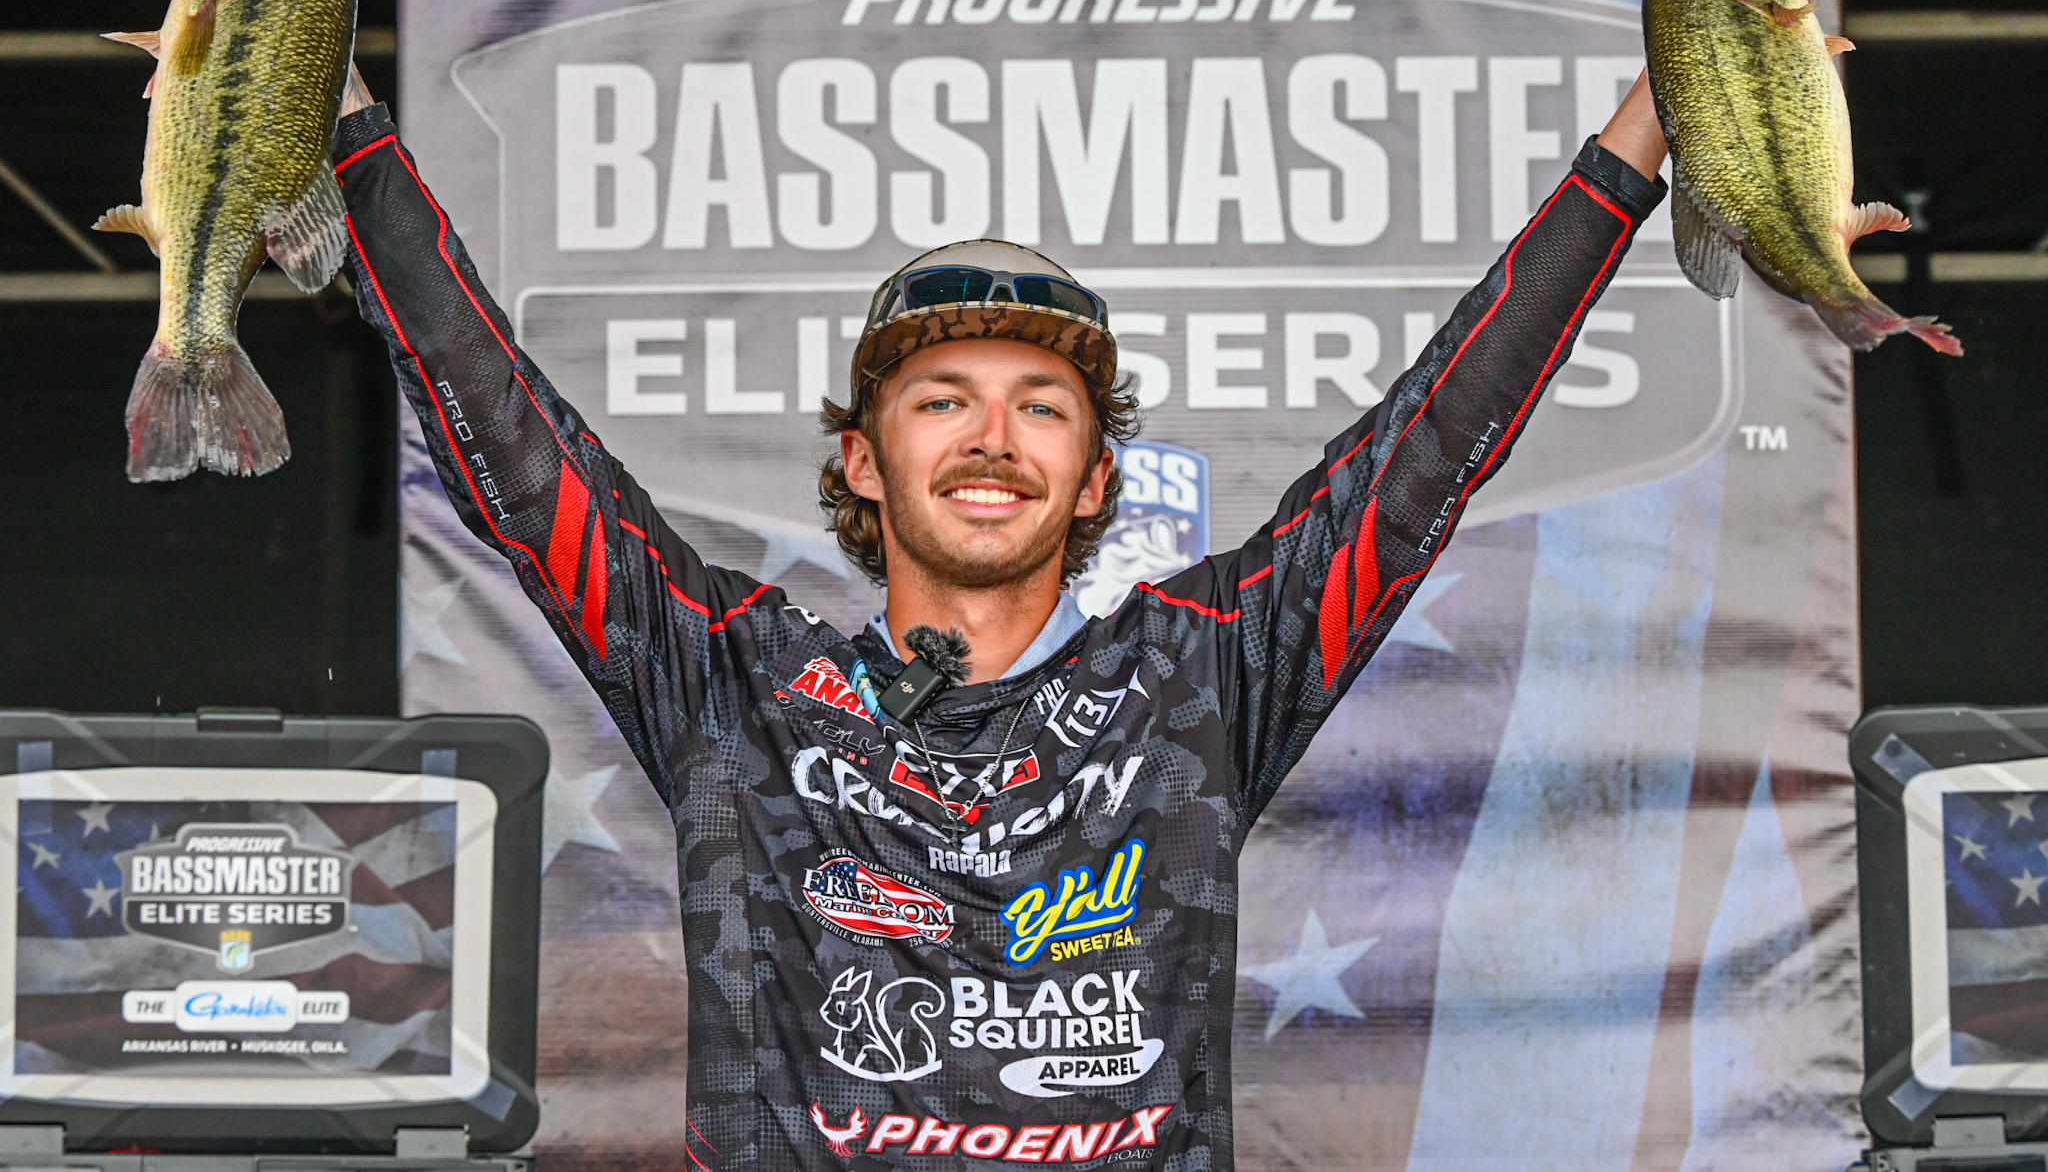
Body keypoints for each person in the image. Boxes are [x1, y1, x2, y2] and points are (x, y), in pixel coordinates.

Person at [334, 59, 1670, 1166]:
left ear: (1096, 480)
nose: (992, 438)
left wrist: (1645, 130)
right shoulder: (736, 685)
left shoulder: (1198, 678)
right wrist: (331, 113)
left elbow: (1427, 450)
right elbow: (512, 444)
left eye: (1041, 406)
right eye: (942, 400)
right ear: (862, 460)